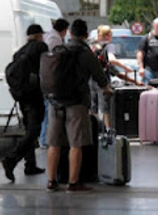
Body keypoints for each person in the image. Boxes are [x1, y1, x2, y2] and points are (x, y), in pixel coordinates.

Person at [46, 19, 111, 193]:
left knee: (54, 143)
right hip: (76, 102)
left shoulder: (59, 49)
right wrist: (106, 88)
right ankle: (73, 183)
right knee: (76, 144)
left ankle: (51, 181)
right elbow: (99, 75)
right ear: (85, 35)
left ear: (70, 33)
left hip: (56, 101)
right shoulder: (84, 52)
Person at [2, 24, 48, 182]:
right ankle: (11, 159)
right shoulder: (40, 47)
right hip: (34, 95)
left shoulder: (21, 51)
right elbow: (46, 69)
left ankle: (30, 164)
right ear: (39, 35)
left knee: (29, 129)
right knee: (34, 131)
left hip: (22, 96)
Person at [90, 25, 141, 131]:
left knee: (93, 106)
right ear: (108, 36)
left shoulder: (92, 44)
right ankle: (108, 129)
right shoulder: (109, 46)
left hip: (91, 78)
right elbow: (112, 60)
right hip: (102, 79)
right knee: (105, 107)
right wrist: (125, 67)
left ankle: (92, 129)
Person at [39, 18, 69, 149]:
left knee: (47, 110)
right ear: (63, 30)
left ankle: (44, 138)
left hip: (45, 80)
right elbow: (53, 60)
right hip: (51, 80)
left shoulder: (49, 36)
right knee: (48, 111)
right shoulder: (54, 40)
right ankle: (44, 138)